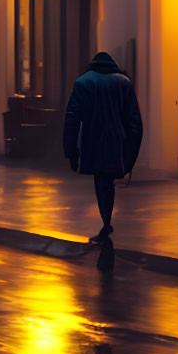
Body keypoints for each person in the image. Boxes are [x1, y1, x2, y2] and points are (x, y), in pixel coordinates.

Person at [62, 51, 143, 244]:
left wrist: (71, 153)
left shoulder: (83, 83)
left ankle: (106, 222)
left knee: (101, 182)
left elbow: (71, 120)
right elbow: (135, 124)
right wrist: (130, 157)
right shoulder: (124, 83)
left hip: (93, 143)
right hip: (117, 144)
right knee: (107, 182)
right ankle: (106, 222)